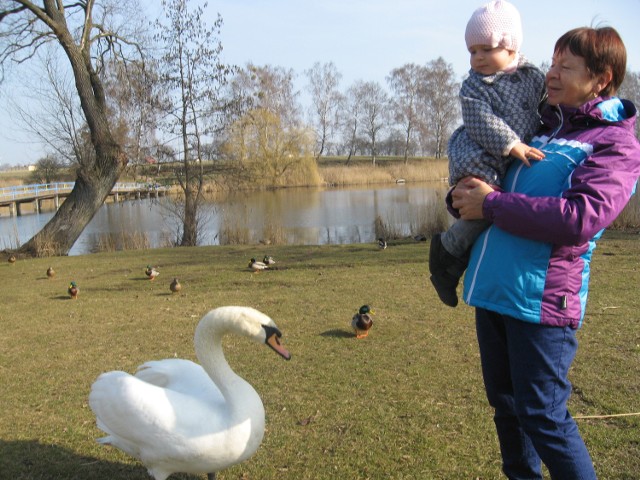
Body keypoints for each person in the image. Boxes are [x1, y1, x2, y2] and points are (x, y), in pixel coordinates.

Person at [451, 26, 640, 479]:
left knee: (544, 417)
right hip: (495, 291)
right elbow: (489, 179)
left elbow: (579, 218)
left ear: (601, 78)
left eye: (565, 66)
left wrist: (491, 204)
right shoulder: (538, 128)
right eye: (552, 63)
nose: (550, 74)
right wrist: (464, 195)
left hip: (542, 301)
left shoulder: (613, 143)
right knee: (508, 409)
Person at [429, 0, 547, 308]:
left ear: (510, 48)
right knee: (486, 201)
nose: (478, 58)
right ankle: (448, 253)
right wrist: (512, 143)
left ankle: (457, 257)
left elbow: (546, 104)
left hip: (509, 156)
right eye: (472, 51)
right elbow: (480, 120)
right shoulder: (474, 86)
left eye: (486, 49)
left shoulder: (533, 76)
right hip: (480, 153)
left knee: (499, 208)